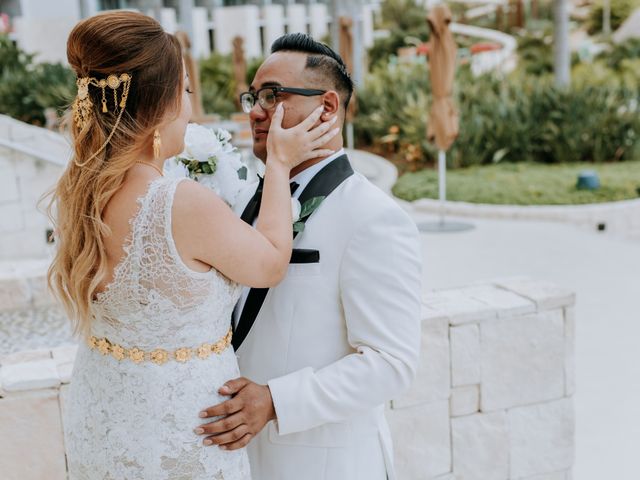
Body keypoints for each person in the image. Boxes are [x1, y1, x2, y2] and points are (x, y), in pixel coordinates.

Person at [48, 12, 338, 479]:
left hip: (101, 421)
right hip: (181, 438)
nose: (189, 106)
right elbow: (268, 265)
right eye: (184, 91)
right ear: (160, 103)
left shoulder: (78, 194)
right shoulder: (179, 203)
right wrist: (281, 165)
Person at [195, 33, 422, 480]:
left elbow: (391, 364)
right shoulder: (246, 200)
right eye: (253, 97)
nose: (257, 111)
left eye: (273, 96)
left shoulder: (373, 218)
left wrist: (276, 400)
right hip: (240, 461)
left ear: (328, 107)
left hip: (323, 463)